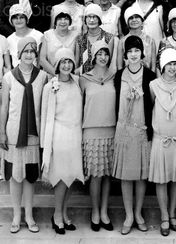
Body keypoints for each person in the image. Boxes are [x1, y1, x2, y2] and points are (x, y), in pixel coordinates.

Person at [0, 36, 47, 233]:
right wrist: (1, 132)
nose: (29, 55)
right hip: (13, 134)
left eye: (32, 51)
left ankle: (29, 215)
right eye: (25, 51)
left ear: (36, 54)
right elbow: (4, 107)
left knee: (30, 177)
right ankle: (17, 214)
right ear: (19, 54)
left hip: (33, 134)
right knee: (15, 176)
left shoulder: (43, 77)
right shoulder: (9, 77)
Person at [112, 35, 156, 235]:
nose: (133, 55)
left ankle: (138, 213)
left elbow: (154, 103)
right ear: (125, 55)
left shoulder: (150, 75)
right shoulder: (119, 75)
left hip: (142, 130)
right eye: (129, 51)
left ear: (142, 53)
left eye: (136, 51)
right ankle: (128, 215)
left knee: (140, 176)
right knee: (126, 176)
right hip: (124, 130)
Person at [41, 48, 84, 235]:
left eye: (69, 62)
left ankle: (65, 212)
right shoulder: (50, 86)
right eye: (63, 62)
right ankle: (57, 215)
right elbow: (45, 116)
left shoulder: (77, 82)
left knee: (71, 177)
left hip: (75, 135)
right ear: (57, 65)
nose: (66, 65)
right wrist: (46, 145)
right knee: (60, 178)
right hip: (59, 135)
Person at [149, 48, 176, 236]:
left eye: (175, 64)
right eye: (169, 64)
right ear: (162, 65)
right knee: (161, 179)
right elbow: (151, 105)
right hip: (161, 139)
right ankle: (164, 216)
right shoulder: (153, 85)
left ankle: (173, 213)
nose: (172, 68)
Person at [80, 40, 116, 232]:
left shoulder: (114, 76)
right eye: (99, 53)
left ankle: (104, 212)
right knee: (95, 175)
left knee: (107, 175)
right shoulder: (84, 78)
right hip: (91, 132)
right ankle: (95, 212)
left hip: (111, 130)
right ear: (93, 56)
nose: (103, 57)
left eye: (106, 53)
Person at [75, 3, 114, 75]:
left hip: (102, 78)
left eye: (94, 17)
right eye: (89, 17)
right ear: (85, 19)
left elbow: (108, 63)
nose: (91, 20)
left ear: (99, 19)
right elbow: (76, 65)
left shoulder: (108, 38)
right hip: (83, 79)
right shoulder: (80, 39)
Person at [117, 5, 156, 72]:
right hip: (127, 78)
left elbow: (153, 66)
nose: (134, 20)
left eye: (137, 17)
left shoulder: (150, 40)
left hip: (147, 78)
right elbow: (120, 66)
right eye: (131, 18)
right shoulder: (122, 41)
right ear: (127, 22)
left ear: (142, 21)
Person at [40, 11, 78, 78]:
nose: (63, 22)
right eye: (60, 19)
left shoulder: (75, 35)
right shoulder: (48, 35)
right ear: (55, 23)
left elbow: (77, 58)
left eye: (66, 19)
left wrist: (69, 74)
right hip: (50, 75)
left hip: (69, 76)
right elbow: (42, 59)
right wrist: (56, 74)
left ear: (70, 22)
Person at [7, 4, 43, 68]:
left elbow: (41, 61)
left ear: (26, 19)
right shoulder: (8, 40)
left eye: (22, 17)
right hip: (16, 76)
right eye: (15, 18)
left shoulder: (38, 36)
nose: (19, 20)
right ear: (11, 20)